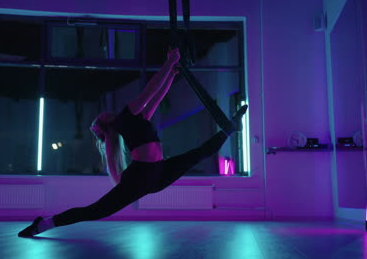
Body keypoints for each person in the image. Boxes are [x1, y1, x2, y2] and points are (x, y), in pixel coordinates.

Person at [18, 48, 248, 237]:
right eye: (101, 118)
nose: (104, 113)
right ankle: (43, 224)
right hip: (141, 177)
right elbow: (150, 89)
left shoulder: (138, 119)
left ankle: (230, 127)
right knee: (96, 211)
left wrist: (172, 73)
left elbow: (158, 96)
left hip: (157, 173)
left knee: (198, 153)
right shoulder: (126, 117)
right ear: (106, 124)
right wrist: (169, 63)